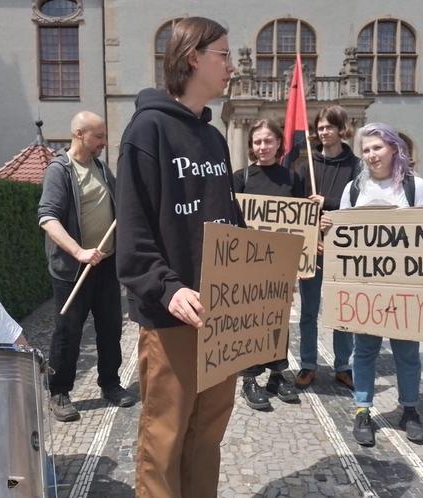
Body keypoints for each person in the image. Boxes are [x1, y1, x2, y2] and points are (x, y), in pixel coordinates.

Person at [116, 17, 243, 498]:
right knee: (164, 440)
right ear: (194, 57)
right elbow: (133, 236)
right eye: (224, 54)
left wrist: (265, 271)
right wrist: (168, 288)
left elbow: (227, 218)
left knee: (208, 435)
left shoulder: (212, 138)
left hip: (222, 315)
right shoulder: (146, 131)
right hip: (173, 318)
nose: (232, 65)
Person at [322, 122, 423, 446]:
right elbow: (343, 236)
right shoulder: (354, 189)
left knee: (407, 353)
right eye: (366, 150)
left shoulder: (415, 186)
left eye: (377, 148)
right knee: (365, 352)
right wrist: (329, 225)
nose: (371, 155)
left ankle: (409, 409)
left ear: (394, 148)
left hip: (404, 288)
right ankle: (363, 410)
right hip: (365, 288)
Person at [38, 111, 135, 423]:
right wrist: (79, 251)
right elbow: (48, 219)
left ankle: (110, 383)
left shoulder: (101, 168)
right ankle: (59, 391)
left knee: (110, 328)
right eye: (98, 136)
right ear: (79, 134)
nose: (103, 143)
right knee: (68, 331)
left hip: (104, 264)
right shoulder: (60, 171)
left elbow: (122, 200)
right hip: (72, 269)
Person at [233, 119, 302, 410]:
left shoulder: (292, 179)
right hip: (247, 264)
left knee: (277, 319)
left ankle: (277, 372)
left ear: (278, 144)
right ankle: (249, 377)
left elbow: (302, 223)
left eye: (268, 141)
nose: (263, 147)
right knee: (249, 319)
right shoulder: (241, 178)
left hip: (280, 264)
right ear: (251, 146)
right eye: (258, 142)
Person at [295, 106, 359, 391]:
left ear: (341, 128)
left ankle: (343, 365)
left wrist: (328, 201)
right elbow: (294, 206)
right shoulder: (304, 163)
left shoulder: (356, 166)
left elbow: (358, 204)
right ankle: (308, 364)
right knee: (309, 310)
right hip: (313, 248)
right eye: (320, 127)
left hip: (343, 248)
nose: (324, 131)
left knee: (342, 310)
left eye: (329, 127)